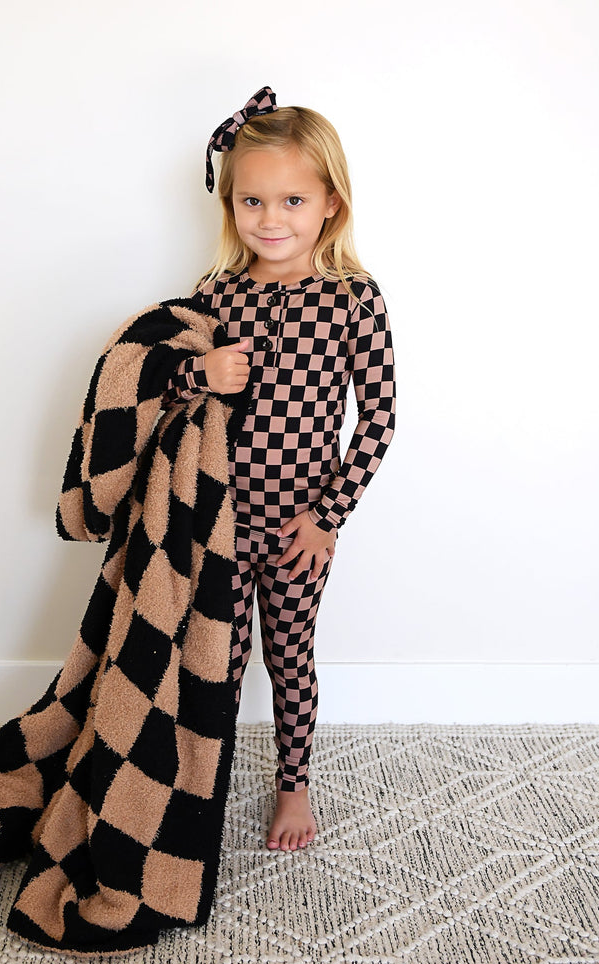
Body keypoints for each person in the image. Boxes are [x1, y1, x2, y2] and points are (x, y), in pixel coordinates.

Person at [163, 87, 396, 853]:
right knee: (215, 663)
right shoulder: (214, 295)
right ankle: (205, 783)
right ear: (229, 204)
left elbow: (379, 420)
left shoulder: (353, 298)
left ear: (330, 203)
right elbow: (167, 399)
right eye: (251, 200)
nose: (270, 218)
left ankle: (293, 788)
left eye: (292, 199)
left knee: (290, 657)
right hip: (220, 522)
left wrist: (327, 518)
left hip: (300, 525)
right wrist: (202, 375)